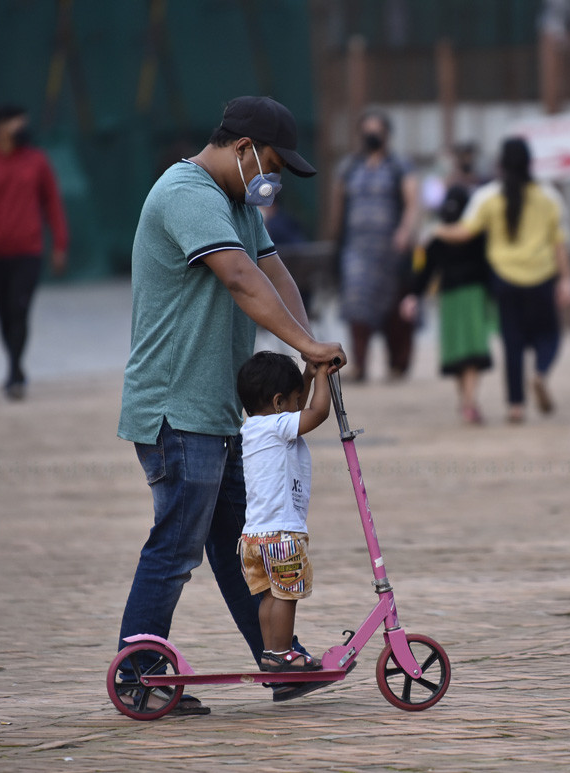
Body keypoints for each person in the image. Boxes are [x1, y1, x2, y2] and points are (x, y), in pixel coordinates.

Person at [114, 96, 345, 716]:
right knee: (177, 546)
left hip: (216, 410)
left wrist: (311, 353)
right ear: (244, 150)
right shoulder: (187, 195)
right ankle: (136, 675)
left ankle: (280, 662)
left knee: (238, 540)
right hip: (175, 408)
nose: (271, 177)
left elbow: (274, 276)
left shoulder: (239, 202)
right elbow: (241, 280)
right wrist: (307, 345)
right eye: (271, 162)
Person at [433, 137, 570, 423]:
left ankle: (515, 406)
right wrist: (567, 279)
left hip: (504, 278)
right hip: (541, 275)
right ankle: (540, 373)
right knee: (549, 334)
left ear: (500, 164)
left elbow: (465, 232)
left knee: (513, 340)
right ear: (530, 162)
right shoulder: (548, 196)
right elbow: (559, 243)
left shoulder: (489, 196)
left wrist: (437, 231)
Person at [0, 104, 68, 400]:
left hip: (28, 251)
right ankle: (15, 366)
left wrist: (60, 243)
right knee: (4, 314)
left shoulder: (37, 162)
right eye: (17, 124)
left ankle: (15, 372)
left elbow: (52, 203)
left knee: (19, 309)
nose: (22, 129)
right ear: (0, 128)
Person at [236, 351, 330, 699]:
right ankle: (283, 655)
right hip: (282, 535)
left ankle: (271, 653)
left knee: (268, 597)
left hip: (252, 538)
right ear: (278, 403)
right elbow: (318, 413)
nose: (299, 405)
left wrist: (306, 374)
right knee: (286, 595)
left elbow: (299, 405)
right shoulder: (278, 426)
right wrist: (322, 376)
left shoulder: (253, 428)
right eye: (293, 401)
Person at [329, 109, 420, 382]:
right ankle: (360, 364)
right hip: (356, 249)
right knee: (357, 304)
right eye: (366, 130)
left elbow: (414, 202)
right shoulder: (348, 167)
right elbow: (337, 205)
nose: (371, 136)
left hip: (391, 250)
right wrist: (335, 239)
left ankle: (397, 364)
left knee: (395, 306)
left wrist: (406, 230)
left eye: (376, 130)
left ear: (386, 134)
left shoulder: (400, 166)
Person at [400, 185, 495, 424]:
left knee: (458, 353)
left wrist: (414, 294)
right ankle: (469, 402)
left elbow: (425, 269)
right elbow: (490, 265)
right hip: (474, 295)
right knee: (472, 352)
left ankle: (467, 401)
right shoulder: (477, 231)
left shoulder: (436, 235)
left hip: (449, 298)